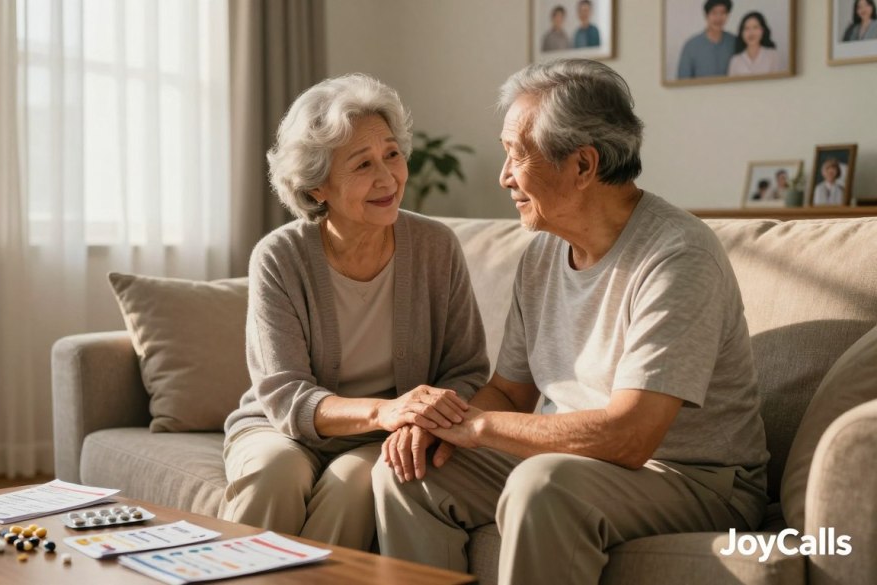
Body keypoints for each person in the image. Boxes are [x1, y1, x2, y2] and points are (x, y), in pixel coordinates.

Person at [373, 59, 769, 585]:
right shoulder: (541, 256)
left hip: (690, 479)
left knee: (543, 484)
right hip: (568, 462)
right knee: (407, 472)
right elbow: (511, 394)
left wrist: (479, 426)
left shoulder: (678, 256)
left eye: (517, 154)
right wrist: (439, 425)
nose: (504, 175)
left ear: (583, 166)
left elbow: (631, 436)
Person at [221, 74, 489, 551]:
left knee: (354, 487)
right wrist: (386, 410)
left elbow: (465, 369)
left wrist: (416, 421)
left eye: (392, 154)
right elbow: (285, 396)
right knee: (274, 475)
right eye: (362, 164)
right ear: (318, 186)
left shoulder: (435, 247)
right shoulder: (279, 256)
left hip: (381, 437)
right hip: (282, 427)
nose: (387, 178)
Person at [678, 0, 737, 79]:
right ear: (706, 16)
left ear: (727, 16)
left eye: (723, 13)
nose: (718, 18)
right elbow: (682, 81)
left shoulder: (735, 42)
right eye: (714, 13)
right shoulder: (691, 46)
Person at [728, 11, 783, 76]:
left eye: (755, 27)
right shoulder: (735, 60)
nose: (751, 33)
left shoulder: (773, 56)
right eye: (747, 28)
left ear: (762, 30)